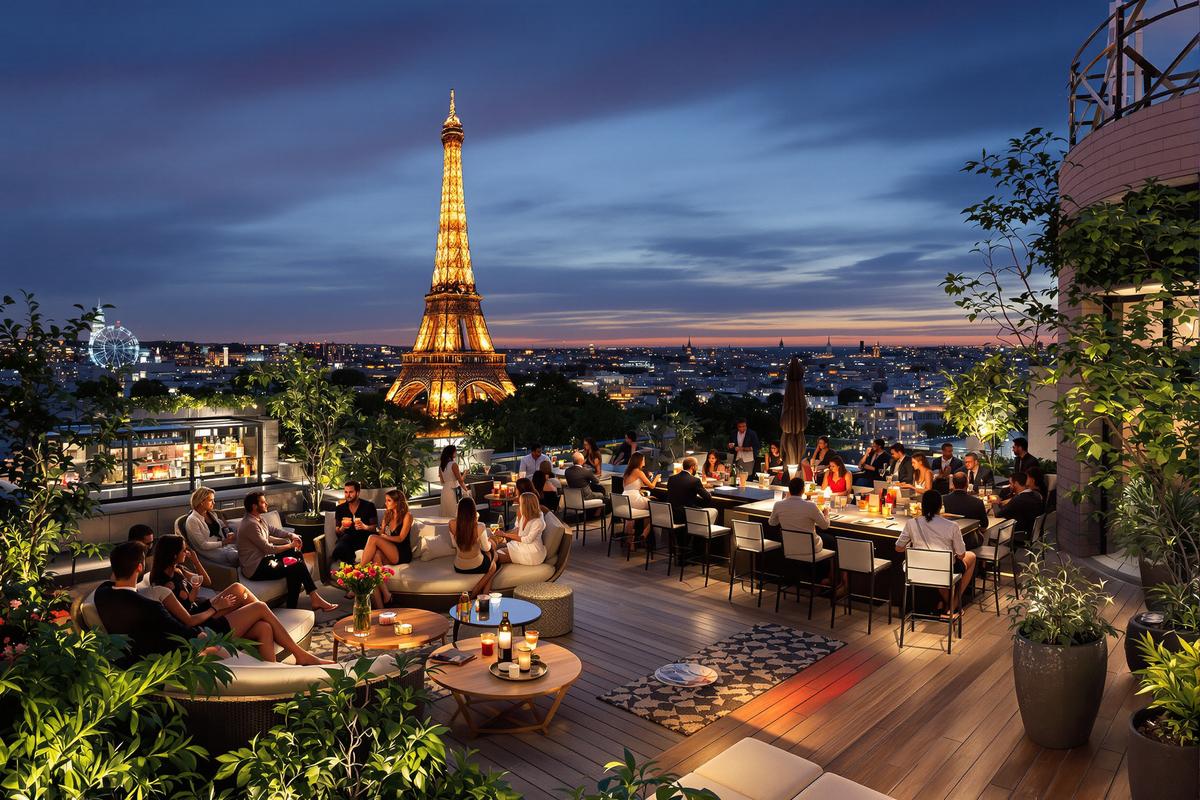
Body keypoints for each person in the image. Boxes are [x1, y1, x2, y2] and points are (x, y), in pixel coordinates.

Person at [94, 541, 204, 666]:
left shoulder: (102, 592)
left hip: (125, 657)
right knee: (211, 645)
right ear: (140, 567)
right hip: (155, 661)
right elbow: (185, 632)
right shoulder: (150, 607)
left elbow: (116, 585)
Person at [237, 491, 337, 611]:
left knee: (295, 554)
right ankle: (311, 599)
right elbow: (268, 548)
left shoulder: (259, 519)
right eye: (263, 502)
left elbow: (273, 531)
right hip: (256, 568)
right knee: (296, 566)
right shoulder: (249, 524)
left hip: (266, 560)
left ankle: (297, 604)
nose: (267, 504)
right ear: (254, 506)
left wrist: (291, 535)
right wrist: (289, 545)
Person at [896, 490, 976, 617]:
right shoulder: (952, 526)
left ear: (922, 506)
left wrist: (913, 548)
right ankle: (953, 606)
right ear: (940, 506)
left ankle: (945, 604)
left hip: (916, 571)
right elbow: (961, 555)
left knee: (937, 568)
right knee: (971, 557)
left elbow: (898, 548)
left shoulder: (912, 523)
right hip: (942, 570)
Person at [149, 533, 255, 623]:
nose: (186, 553)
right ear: (174, 555)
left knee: (239, 589)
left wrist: (196, 562)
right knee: (252, 604)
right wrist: (216, 607)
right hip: (200, 616)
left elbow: (206, 581)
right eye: (183, 550)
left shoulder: (178, 570)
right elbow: (186, 617)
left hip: (200, 606)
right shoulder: (166, 585)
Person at [769, 477, 841, 593]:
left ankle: (812, 580)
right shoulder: (810, 506)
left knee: (824, 539)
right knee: (832, 541)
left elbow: (772, 523)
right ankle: (830, 579)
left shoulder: (779, 505)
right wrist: (826, 514)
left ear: (789, 490)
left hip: (789, 548)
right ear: (803, 490)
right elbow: (825, 526)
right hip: (810, 549)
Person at [359, 489, 413, 608]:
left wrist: (383, 536)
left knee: (372, 538)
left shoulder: (407, 516)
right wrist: (381, 533)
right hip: (389, 550)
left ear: (397, 502)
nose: (386, 503)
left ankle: (358, 572)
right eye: (386, 500)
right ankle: (382, 605)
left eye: (389, 501)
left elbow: (400, 538)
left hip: (401, 552)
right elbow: (382, 533)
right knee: (374, 563)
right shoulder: (387, 514)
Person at [450, 496, 496, 596]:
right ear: (474, 510)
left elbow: (454, 544)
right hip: (477, 565)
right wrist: (490, 542)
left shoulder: (451, 524)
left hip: (459, 566)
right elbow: (486, 548)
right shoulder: (480, 526)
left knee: (491, 560)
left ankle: (484, 593)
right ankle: (478, 591)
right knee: (494, 563)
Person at [184, 486, 239, 566]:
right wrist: (224, 542)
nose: (214, 503)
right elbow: (203, 545)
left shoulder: (212, 514)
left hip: (226, 547)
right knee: (244, 555)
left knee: (249, 547)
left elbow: (221, 523)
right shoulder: (192, 520)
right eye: (210, 500)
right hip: (212, 553)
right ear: (201, 502)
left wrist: (228, 531)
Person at [330, 481, 378, 567]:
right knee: (339, 548)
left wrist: (365, 527)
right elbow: (337, 531)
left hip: (364, 538)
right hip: (347, 539)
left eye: (351, 492)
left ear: (358, 492)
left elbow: (375, 528)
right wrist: (342, 528)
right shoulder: (340, 508)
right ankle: (353, 565)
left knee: (363, 547)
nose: (348, 495)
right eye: (346, 492)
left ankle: (355, 563)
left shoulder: (369, 506)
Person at [493, 492, 548, 566]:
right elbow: (519, 530)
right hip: (522, 545)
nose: (519, 504)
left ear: (526, 505)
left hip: (532, 552)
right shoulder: (524, 515)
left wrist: (505, 534)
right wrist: (504, 535)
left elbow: (528, 540)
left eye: (520, 503)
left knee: (497, 555)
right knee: (497, 546)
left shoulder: (538, 521)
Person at [620, 452, 658, 545]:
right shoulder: (638, 471)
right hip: (634, 500)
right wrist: (657, 477)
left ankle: (631, 542)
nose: (644, 461)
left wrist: (641, 493)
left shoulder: (627, 472)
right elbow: (652, 486)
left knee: (648, 507)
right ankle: (644, 535)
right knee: (655, 509)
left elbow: (630, 487)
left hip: (625, 499)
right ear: (639, 461)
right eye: (643, 459)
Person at [665, 456, 715, 525]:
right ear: (693, 467)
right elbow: (707, 498)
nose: (697, 468)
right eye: (696, 466)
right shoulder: (695, 481)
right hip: (686, 516)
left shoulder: (672, 478)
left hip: (671, 515)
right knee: (714, 511)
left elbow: (678, 494)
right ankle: (701, 533)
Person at [941, 472, 989, 540]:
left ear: (953, 484)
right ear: (967, 484)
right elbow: (984, 526)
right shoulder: (978, 502)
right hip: (971, 541)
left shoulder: (944, 499)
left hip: (949, 538)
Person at [997, 472, 1044, 542]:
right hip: (1035, 533)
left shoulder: (1019, 499)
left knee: (991, 530)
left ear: (1016, 483)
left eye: (1010, 483)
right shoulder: (1036, 495)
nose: (1010, 486)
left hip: (1021, 534)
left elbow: (998, 514)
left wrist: (997, 504)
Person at [439, 445, 469, 518]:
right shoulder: (453, 464)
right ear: (451, 453)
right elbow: (460, 480)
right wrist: (465, 473)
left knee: (446, 513)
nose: (456, 453)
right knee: (454, 513)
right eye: (455, 451)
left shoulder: (441, 466)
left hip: (445, 491)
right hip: (453, 491)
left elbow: (442, 481)